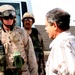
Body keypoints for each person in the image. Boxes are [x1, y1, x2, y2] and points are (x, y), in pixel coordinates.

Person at [0, 4, 38, 75]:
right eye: (6, 18)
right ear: (1, 19)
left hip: (22, 72)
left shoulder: (22, 33)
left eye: (11, 18)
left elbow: (31, 57)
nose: (9, 21)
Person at [45, 8, 75, 75]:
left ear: (55, 26)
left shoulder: (61, 45)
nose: (46, 29)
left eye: (47, 26)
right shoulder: (72, 40)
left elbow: (69, 71)